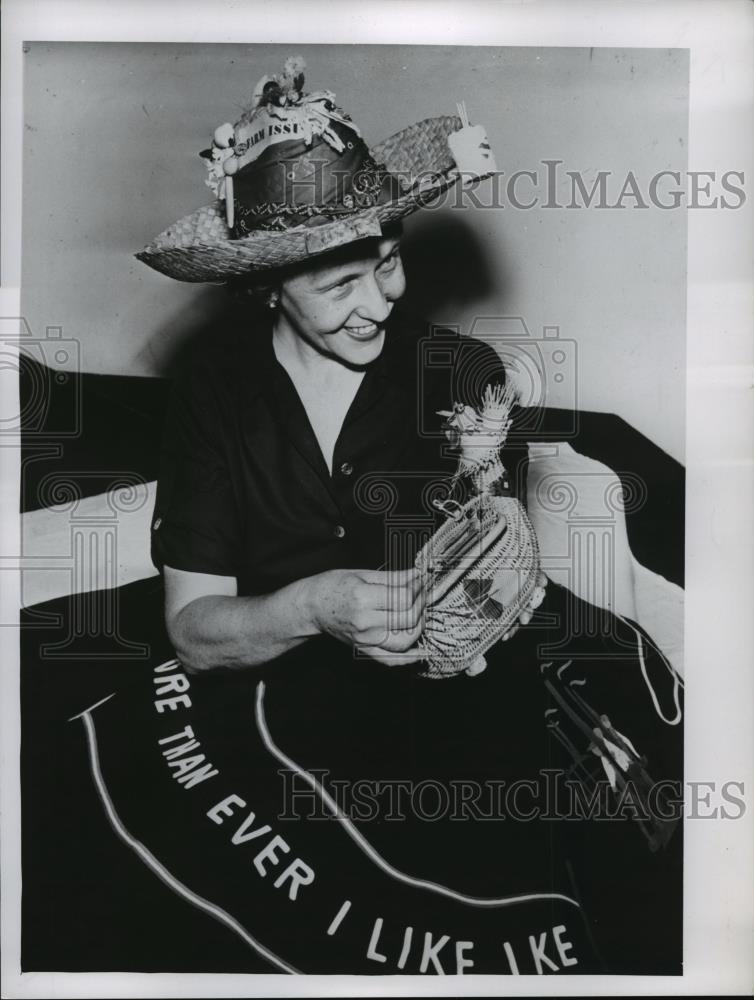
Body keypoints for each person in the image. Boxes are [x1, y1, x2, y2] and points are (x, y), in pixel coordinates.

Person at [135, 56, 683, 975]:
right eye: (338, 284)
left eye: (388, 264)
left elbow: (501, 565)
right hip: (278, 675)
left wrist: (477, 599)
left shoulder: (460, 373)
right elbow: (193, 628)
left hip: (465, 688)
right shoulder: (212, 397)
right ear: (266, 285)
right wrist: (314, 606)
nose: (379, 301)